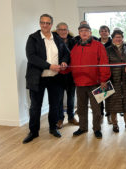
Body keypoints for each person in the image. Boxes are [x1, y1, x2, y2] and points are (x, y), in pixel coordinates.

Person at [23, 14, 70, 144]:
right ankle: (33, 132)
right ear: (39, 23)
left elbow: (66, 53)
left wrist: (64, 62)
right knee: (35, 107)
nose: (45, 25)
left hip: (55, 78)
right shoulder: (33, 38)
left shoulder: (57, 38)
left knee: (54, 105)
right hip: (38, 78)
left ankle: (53, 128)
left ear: (51, 25)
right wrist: (49, 66)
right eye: (43, 22)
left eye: (48, 23)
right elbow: (31, 57)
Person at [69, 24, 110, 139]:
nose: (84, 33)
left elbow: (104, 63)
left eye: (86, 30)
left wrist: (103, 80)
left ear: (91, 32)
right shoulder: (75, 48)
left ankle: (97, 129)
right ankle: (83, 127)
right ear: (79, 33)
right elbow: (71, 65)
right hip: (79, 83)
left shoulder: (98, 46)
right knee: (81, 109)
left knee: (97, 109)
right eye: (81, 31)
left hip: (95, 83)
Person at [105, 29, 126, 133]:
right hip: (112, 80)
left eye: (120, 37)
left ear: (122, 38)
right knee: (112, 104)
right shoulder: (107, 50)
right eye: (116, 37)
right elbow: (104, 66)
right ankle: (115, 124)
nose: (118, 39)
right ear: (113, 38)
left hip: (125, 81)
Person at [55, 22, 79, 129]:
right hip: (57, 74)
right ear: (57, 31)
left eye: (65, 29)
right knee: (59, 98)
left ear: (68, 31)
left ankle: (71, 117)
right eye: (61, 30)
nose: (63, 32)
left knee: (71, 97)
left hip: (71, 74)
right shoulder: (52, 41)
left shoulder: (74, 41)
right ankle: (60, 118)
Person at [98, 25, 112, 123]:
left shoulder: (113, 43)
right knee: (99, 96)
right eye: (102, 31)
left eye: (105, 31)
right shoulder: (96, 43)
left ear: (108, 33)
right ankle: (101, 115)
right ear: (99, 33)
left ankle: (109, 115)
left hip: (110, 72)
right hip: (98, 72)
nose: (104, 32)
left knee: (109, 95)